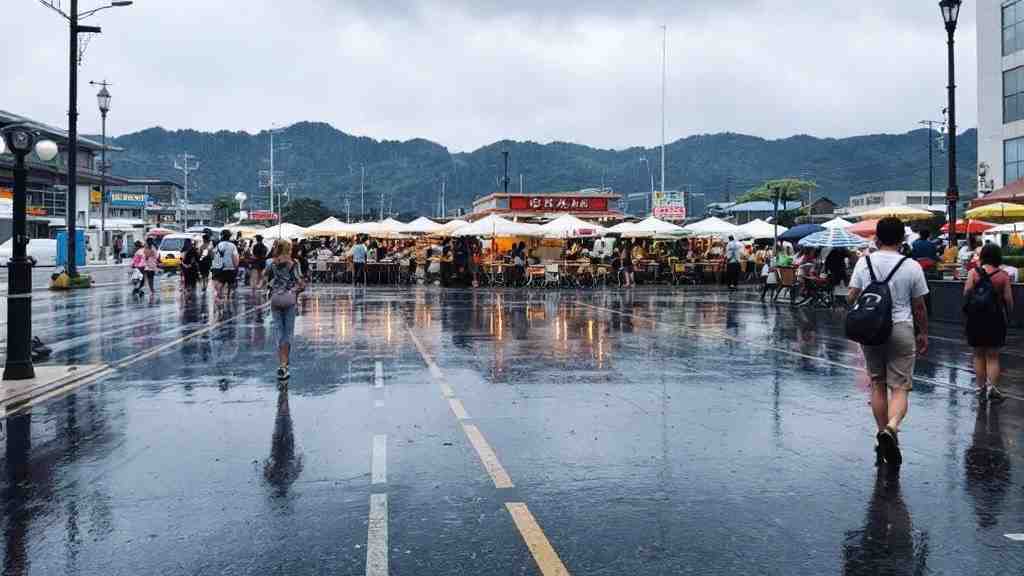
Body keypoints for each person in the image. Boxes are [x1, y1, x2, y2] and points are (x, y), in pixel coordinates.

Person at [847, 217, 929, 469]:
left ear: (877, 238)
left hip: (872, 329)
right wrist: (923, 332)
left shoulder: (864, 262)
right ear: (903, 239)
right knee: (901, 387)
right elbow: (919, 305)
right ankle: (892, 428)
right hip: (902, 328)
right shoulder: (912, 265)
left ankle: (882, 431)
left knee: (878, 384)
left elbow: (851, 296)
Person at [963, 243, 1014, 401]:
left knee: (978, 355)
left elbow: (966, 293)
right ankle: (992, 388)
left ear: (983, 255)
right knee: (993, 356)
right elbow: (1008, 300)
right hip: (995, 318)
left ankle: (980, 389)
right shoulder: (1003, 275)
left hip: (976, 318)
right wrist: (1009, 315)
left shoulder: (973, 273)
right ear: (998, 257)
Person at [266, 239, 305, 381]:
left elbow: (266, 277)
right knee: (288, 333)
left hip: (275, 299)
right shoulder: (293, 263)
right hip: (289, 299)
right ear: (289, 249)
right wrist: (295, 291)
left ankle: (282, 363)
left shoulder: (272, 263)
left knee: (279, 331)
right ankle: (284, 366)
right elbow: (301, 283)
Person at [212, 229, 240, 300]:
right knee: (230, 283)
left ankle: (218, 294)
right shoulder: (232, 245)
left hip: (219, 267)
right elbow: (235, 257)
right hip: (230, 267)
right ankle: (227, 296)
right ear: (229, 236)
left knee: (221, 282)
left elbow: (213, 255)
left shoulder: (218, 245)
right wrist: (236, 266)